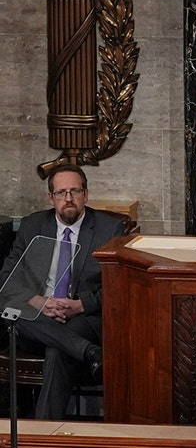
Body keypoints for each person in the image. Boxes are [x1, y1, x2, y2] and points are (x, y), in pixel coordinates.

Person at [0, 163, 124, 419]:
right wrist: (39, 302)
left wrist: (80, 305)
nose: (68, 199)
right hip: (35, 318)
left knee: (58, 349)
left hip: (80, 318)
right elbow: (7, 281)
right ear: (51, 197)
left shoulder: (108, 229)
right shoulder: (33, 225)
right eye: (61, 192)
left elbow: (119, 286)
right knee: (14, 314)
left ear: (86, 195)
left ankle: (41, 438)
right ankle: (89, 352)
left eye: (75, 191)